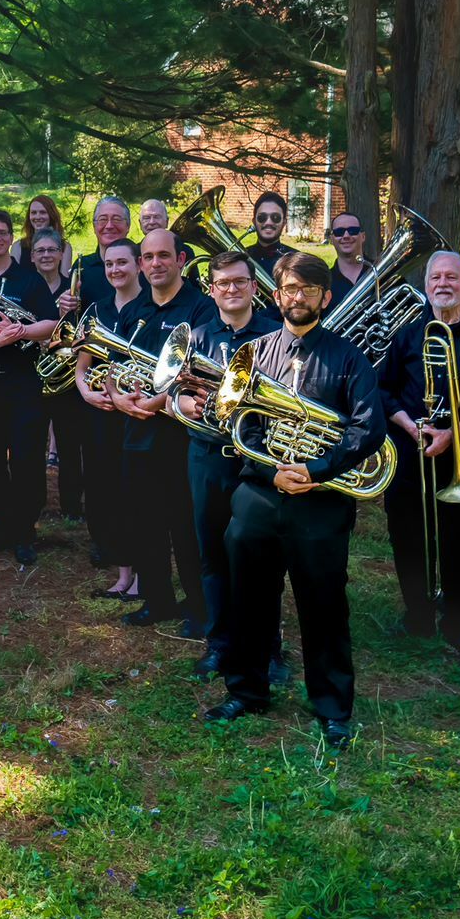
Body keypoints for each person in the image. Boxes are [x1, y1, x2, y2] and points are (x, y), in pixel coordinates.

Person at [207, 252, 386, 749]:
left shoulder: (351, 358)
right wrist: (275, 470)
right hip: (260, 496)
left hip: (321, 500)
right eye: (290, 288)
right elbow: (241, 424)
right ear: (277, 293)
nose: (298, 297)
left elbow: (368, 429)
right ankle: (245, 691)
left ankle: (332, 708)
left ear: (325, 298)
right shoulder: (254, 353)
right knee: (248, 598)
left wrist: (316, 470)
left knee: (324, 605)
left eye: (309, 290)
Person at [378, 251, 460, 652]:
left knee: (459, 539)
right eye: (435, 278)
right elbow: (384, 390)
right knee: (407, 534)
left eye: (452, 277)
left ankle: (457, 623)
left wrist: (454, 431)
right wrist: (406, 422)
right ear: (426, 285)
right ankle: (417, 613)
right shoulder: (406, 335)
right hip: (411, 448)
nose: (443, 284)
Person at [107, 229, 216, 630]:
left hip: (180, 436)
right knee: (145, 522)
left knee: (187, 527)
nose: (155, 264)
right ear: (140, 264)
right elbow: (114, 364)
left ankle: (199, 606)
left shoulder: (202, 309)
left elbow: (202, 374)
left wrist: (157, 401)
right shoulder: (133, 309)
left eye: (163, 256)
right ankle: (157, 601)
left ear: (181, 259)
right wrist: (117, 397)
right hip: (136, 433)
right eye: (148, 257)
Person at [177, 250, 279, 678]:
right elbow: (173, 392)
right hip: (207, 458)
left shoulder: (276, 335)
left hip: (256, 463)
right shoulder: (197, 338)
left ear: (254, 287)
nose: (232, 290)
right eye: (224, 284)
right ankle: (219, 644)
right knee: (212, 555)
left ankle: (267, 650)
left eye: (240, 282)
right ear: (213, 290)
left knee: (262, 558)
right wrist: (183, 402)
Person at [0, 209, 59, 565]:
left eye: (2, 232)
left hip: (24, 381)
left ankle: (25, 531)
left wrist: (19, 331)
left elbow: (51, 324)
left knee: (27, 458)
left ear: (10, 237)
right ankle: (1, 528)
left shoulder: (30, 279)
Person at [75, 237, 144, 595]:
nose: (116, 270)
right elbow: (82, 366)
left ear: (138, 265)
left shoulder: (152, 308)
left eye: (122, 263)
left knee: (139, 494)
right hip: (101, 412)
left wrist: (121, 397)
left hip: (138, 414)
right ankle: (123, 573)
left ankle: (146, 574)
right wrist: (86, 390)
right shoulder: (97, 310)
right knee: (108, 493)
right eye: (109, 264)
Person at [32, 228, 84, 521]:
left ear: (62, 254)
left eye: (52, 250)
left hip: (65, 378)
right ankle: (35, 502)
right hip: (32, 377)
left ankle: (71, 506)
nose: (47, 255)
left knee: (69, 442)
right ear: (32, 257)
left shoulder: (74, 288)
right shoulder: (26, 287)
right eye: (41, 251)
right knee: (32, 443)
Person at [58, 196, 133, 318]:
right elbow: (70, 320)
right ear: (94, 227)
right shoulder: (82, 266)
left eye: (117, 219)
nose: (109, 225)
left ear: (128, 226)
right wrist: (65, 308)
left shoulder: (142, 264)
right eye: (102, 219)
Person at [13, 194, 75, 275]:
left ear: (51, 215)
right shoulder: (18, 247)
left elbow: (65, 280)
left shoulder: (65, 247)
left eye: (42, 212)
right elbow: (14, 281)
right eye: (33, 213)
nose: (37, 217)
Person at [247, 192, 293, 282]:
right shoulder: (242, 258)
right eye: (262, 217)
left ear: (284, 223)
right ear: (254, 221)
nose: (268, 222)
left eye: (275, 217)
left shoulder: (296, 260)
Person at [327, 214, 370, 305]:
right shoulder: (324, 281)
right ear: (331, 239)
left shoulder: (382, 272)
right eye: (339, 232)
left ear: (363, 236)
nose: (346, 236)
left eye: (352, 231)